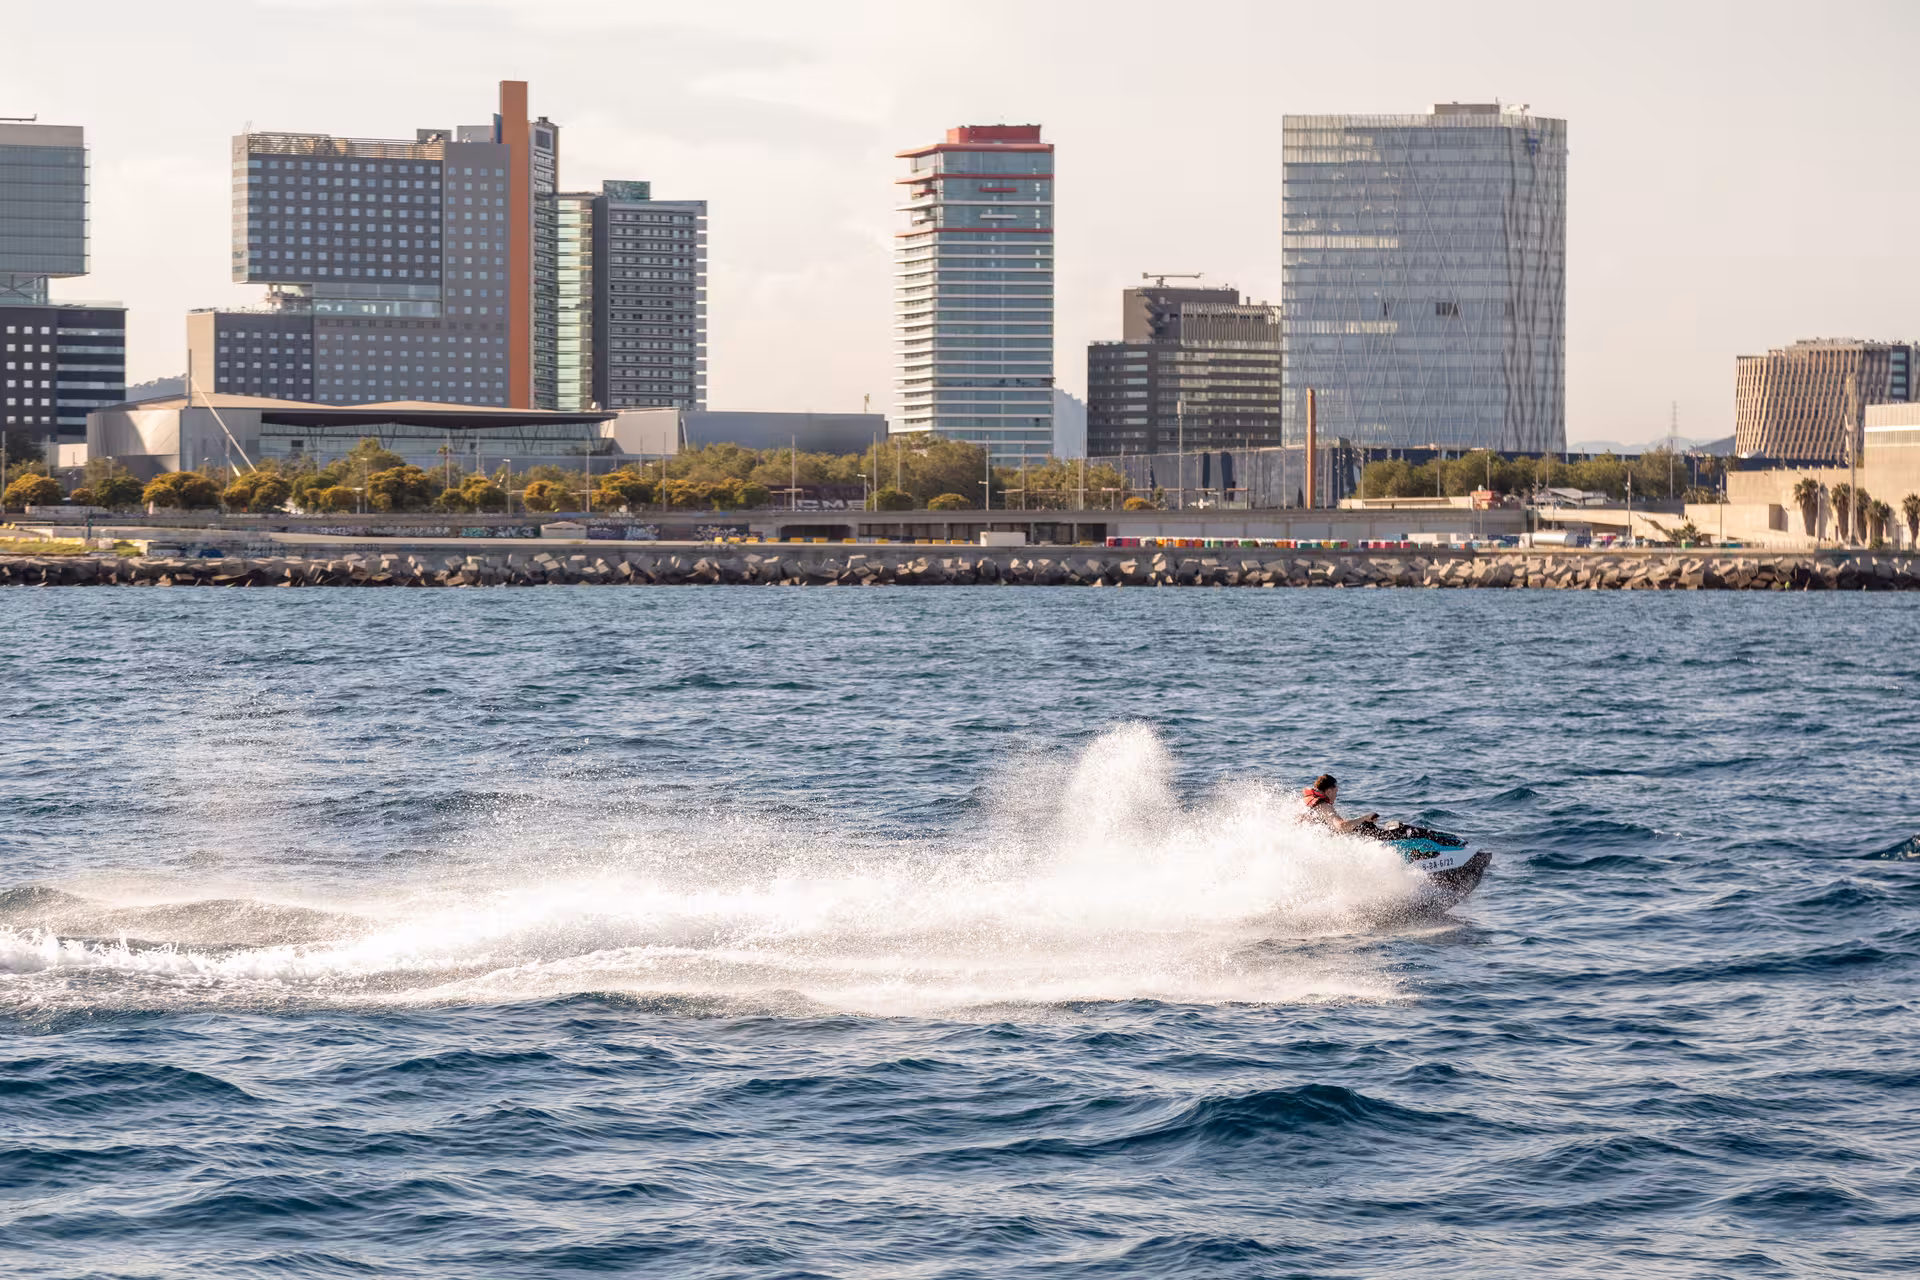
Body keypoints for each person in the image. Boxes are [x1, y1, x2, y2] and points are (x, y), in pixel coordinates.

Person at [1300, 774, 1377, 833]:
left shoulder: (1304, 801)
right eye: (1336, 792)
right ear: (1329, 792)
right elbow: (1341, 827)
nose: (1336, 796)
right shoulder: (1324, 806)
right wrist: (1364, 818)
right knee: (1366, 826)